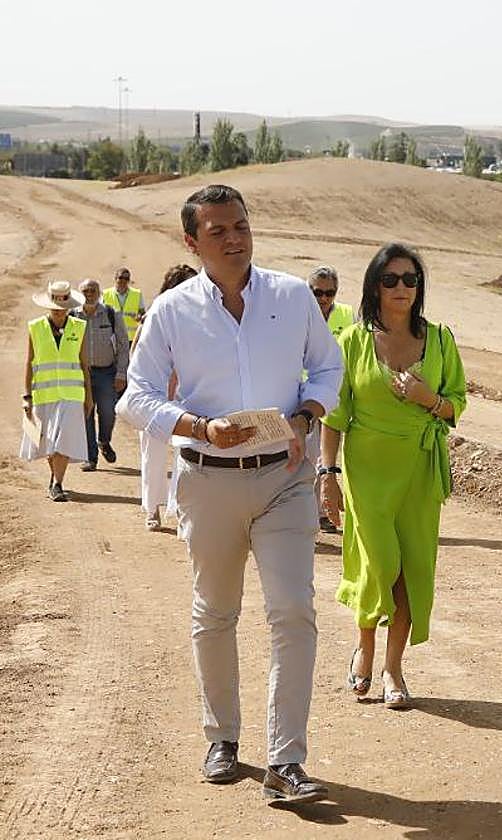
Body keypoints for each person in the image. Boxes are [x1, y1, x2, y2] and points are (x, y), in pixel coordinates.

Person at [117, 185, 342, 805]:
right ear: (192, 243)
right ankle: (222, 738)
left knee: (293, 611)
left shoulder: (293, 297)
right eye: (217, 232)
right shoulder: (170, 311)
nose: (234, 239)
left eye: (240, 225)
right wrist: (197, 426)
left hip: (284, 478)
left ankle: (286, 760)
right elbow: (135, 397)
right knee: (215, 613)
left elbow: (328, 367)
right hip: (207, 478)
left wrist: (305, 418)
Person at [319, 243, 466, 709]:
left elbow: (456, 403)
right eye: (391, 280)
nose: (402, 288)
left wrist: (429, 399)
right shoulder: (353, 342)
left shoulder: (440, 339)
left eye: (410, 279)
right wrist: (328, 474)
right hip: (367, 470)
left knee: (411, 570)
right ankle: (364, 648)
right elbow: (334, 416)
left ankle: (392, 669)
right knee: (380, 563)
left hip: (419, 471)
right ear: (374, 288)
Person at [137, 264, 198, 530]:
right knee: (154, 455)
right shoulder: (155, 313)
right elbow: (135, 354)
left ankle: (183, 511)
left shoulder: (199, 317)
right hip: (156, 398)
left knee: (187, 454)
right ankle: (152, 510)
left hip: (187, 397)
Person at [21, 280, 93, 501]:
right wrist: (27, 396)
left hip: (72, 396)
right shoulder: (35, 327)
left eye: (63, 308)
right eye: (55, 308)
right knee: (48, 442)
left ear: (69, 306)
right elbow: (29, 362)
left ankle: (58, 484)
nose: (59, 312)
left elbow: (84, 364)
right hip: (44, 395)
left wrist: (89, 397)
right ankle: (54, 477)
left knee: (62, 441)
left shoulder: (79, 327)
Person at [307, 264, 356, 533]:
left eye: (330, 293)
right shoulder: (300, 313)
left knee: (326, 458)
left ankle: (323, 511)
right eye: (318, 292)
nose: (324, 298)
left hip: (335, 398)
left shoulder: (347, 316)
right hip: (306, 397)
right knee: (307, 455)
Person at [71, 278, 130, 471]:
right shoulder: (72, 316)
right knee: (86, 414)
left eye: (93, 290)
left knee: (107, 412)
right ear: (80, 294)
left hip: (106, 372)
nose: (89, 294)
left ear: (99, 293)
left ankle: (104, 441)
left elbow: (123, 345)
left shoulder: (111, 314)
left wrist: (121, 373)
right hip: (81, 373)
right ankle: (91, 457)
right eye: (85, 291)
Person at [102, 266, 145, 341]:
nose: (123, 281)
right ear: (115, 279)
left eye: (126, 278)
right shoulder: (106, 294)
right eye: (121, 277)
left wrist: (139, 317)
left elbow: (142, 313)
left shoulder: (137, 294)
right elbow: (100, 313)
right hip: (112, 337)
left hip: (131, 338)